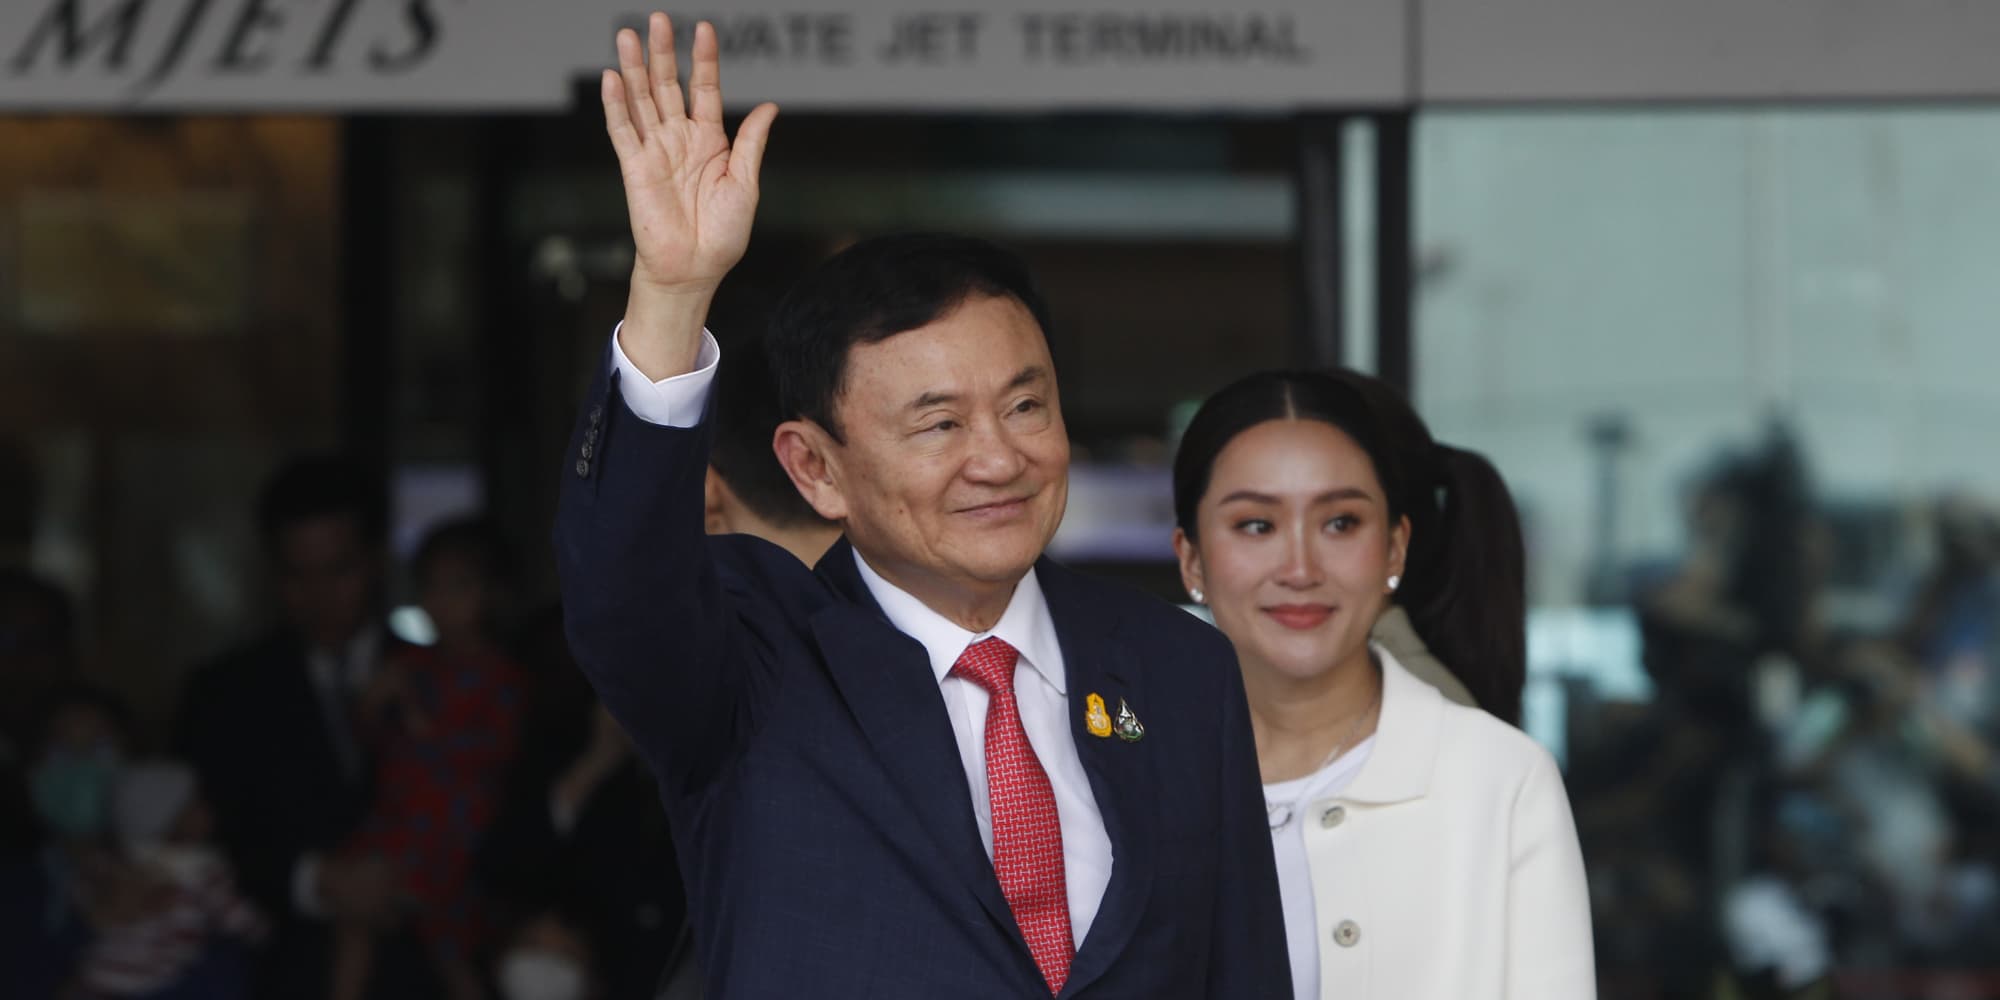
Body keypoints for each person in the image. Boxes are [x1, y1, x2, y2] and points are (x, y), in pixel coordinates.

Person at [554, 13, 1287, 998]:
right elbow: (620, 592)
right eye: (937, 424)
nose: (998, 457)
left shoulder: (1175, 666)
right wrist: (671, 296)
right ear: (813, 469)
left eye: (1025, 404)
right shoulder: (757, 663)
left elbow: (1241, 972)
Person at [1169, 369, 1593, 1000]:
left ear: (1395, 549)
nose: (1300, 568)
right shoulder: (1123, 773)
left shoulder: (1501, 779)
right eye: (1256, 525)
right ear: (1192, 559)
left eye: (1340, 523)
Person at [175, 455, 437, 999]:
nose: (318, 596)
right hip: (280, 974)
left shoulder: (443, 677)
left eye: (339, 571)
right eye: (298, 575)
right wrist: (315, 881)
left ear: (375, 561)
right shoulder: (226, 692)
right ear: (273, 573)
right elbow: (205, 840)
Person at [332, 517, 528, 1000]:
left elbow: (494, 750)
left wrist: (427, 730)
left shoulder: (501, 677)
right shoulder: (411, 664)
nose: (441, 602)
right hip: (400, 815)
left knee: (451, 945)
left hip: (452, 824)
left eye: (457, 588)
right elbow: (366, 738)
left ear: (491, 594)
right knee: (354, 908)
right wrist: (375, 703)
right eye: (431, 587)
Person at [78, 759, 266, 999]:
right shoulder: (202, 870)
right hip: (155, 983)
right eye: (196, 803)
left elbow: (89, 892)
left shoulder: (120, 859)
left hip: (98, 974)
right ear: (171, 820)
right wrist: (264, 932)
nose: (208, 809)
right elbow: (235, 916)